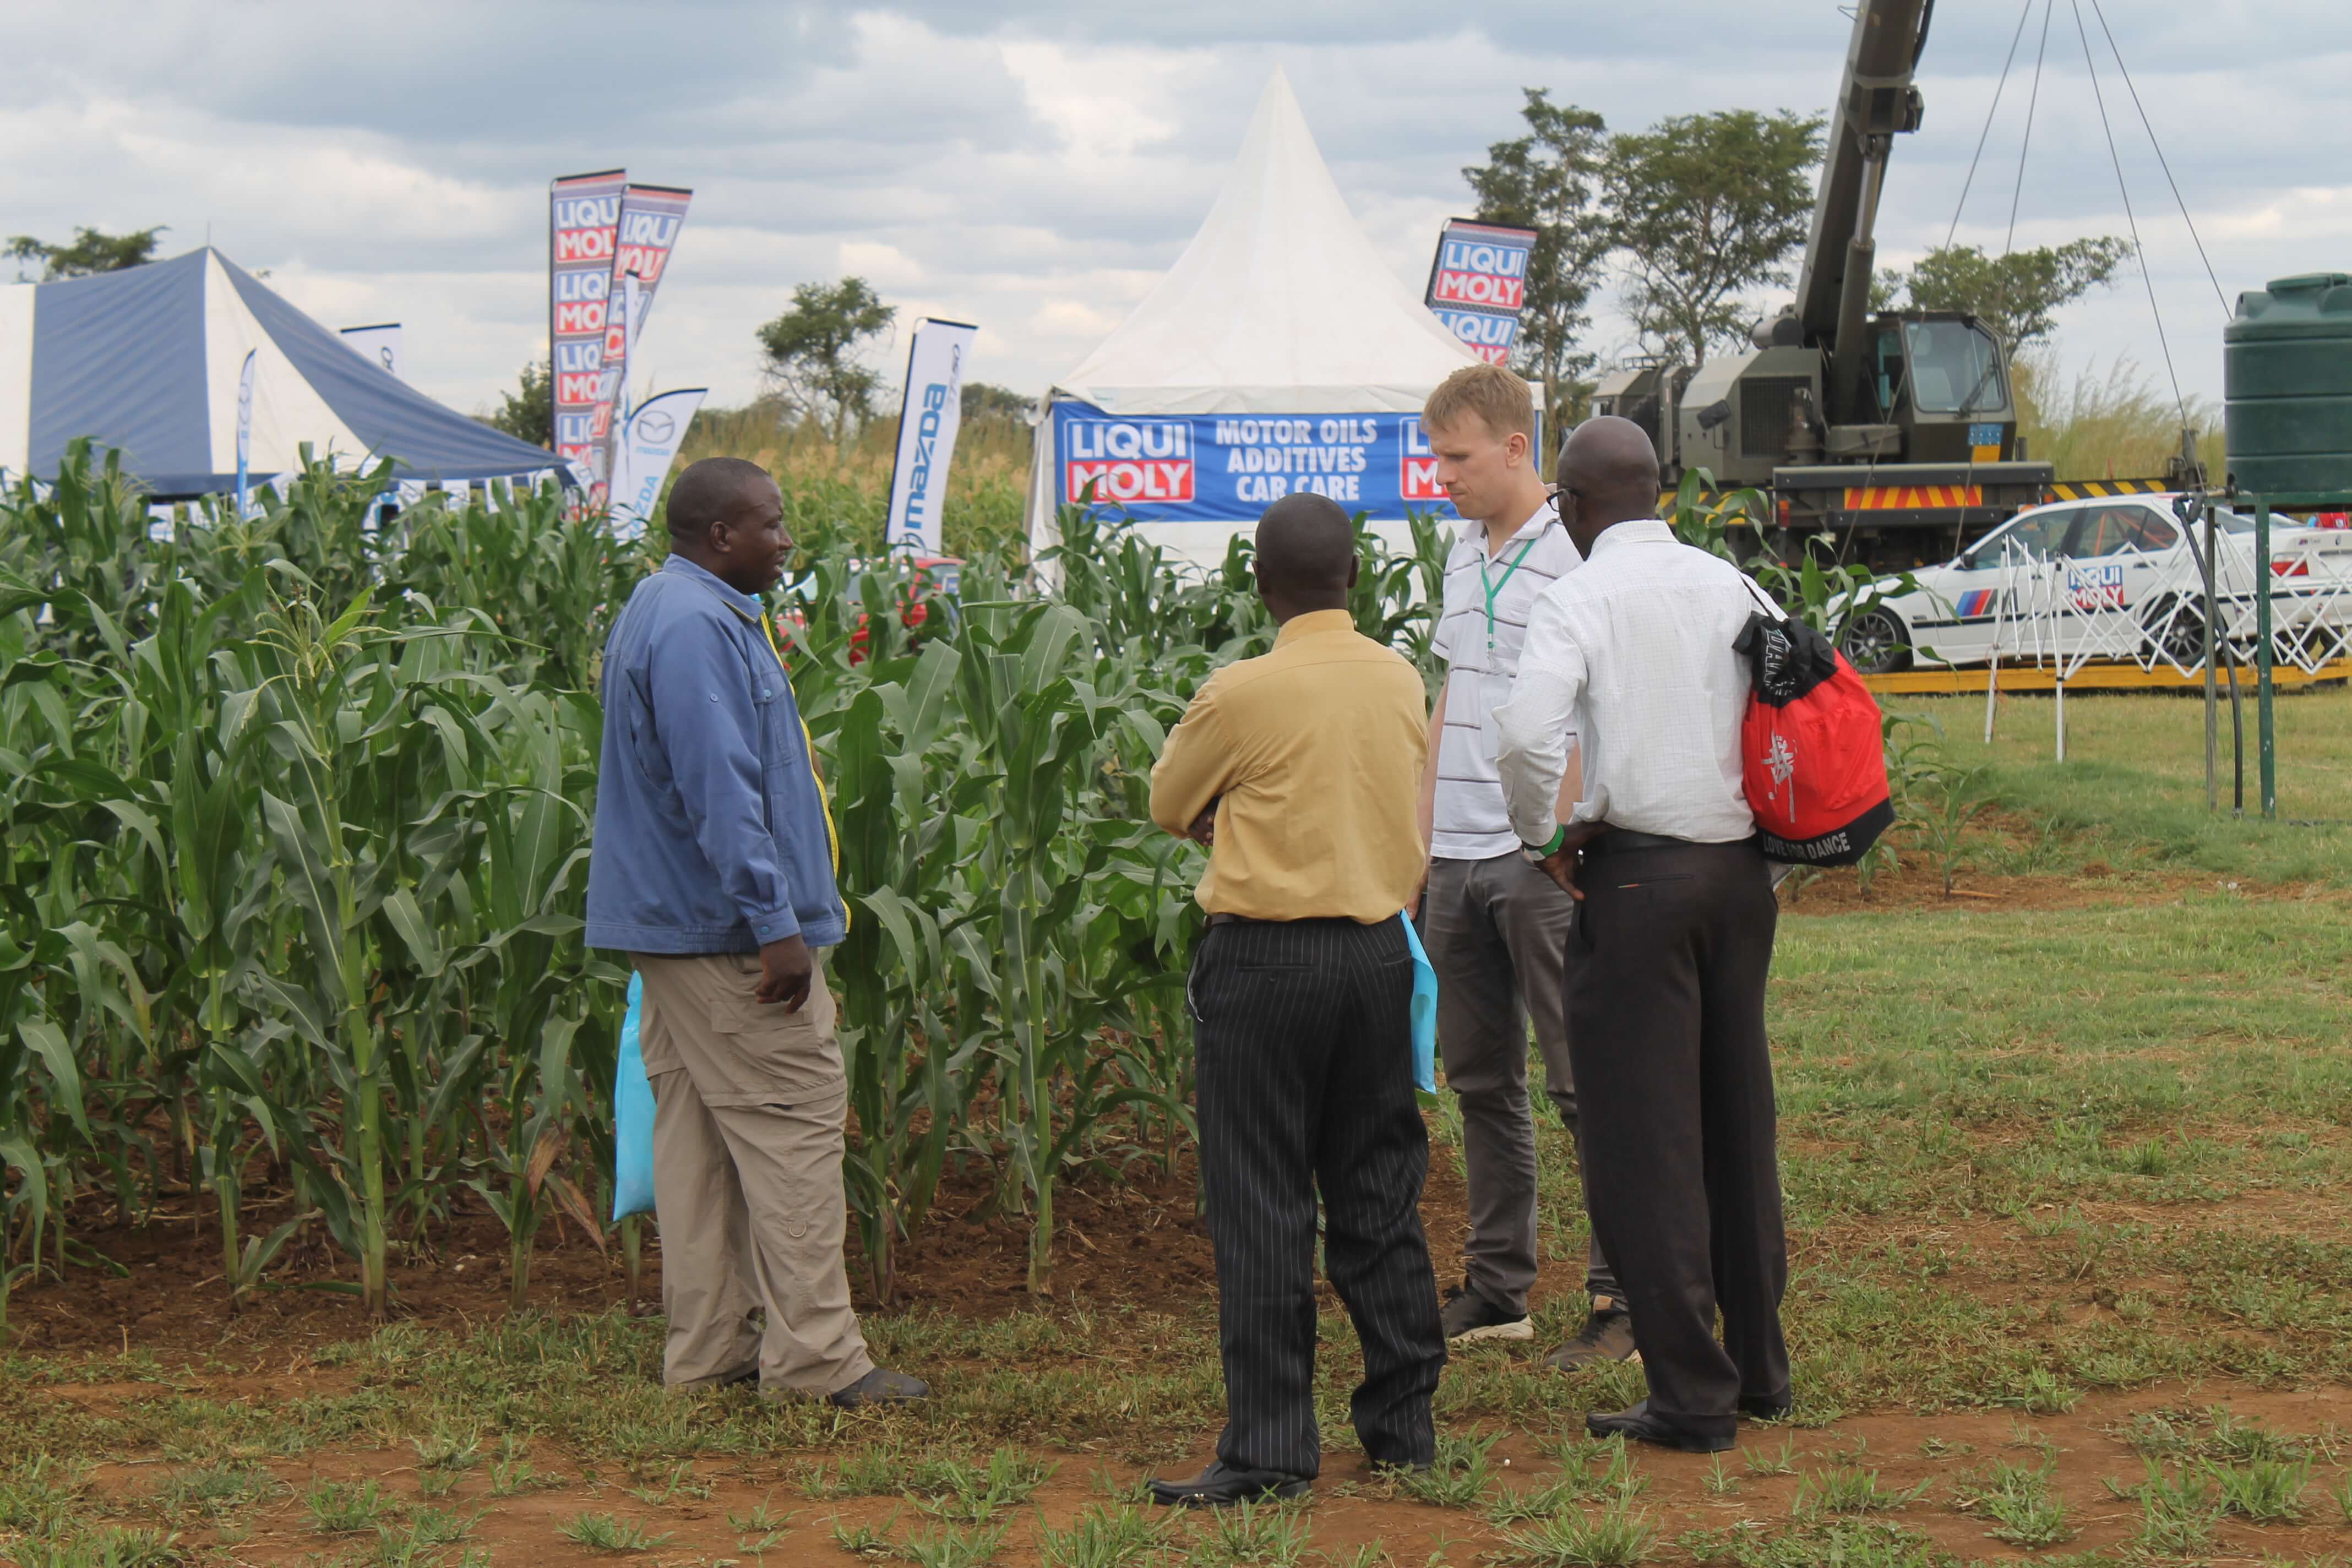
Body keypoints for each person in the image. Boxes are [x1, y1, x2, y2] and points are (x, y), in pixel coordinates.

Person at [584, 456, 927, 1409]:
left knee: (694, 1141)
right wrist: (775, 925)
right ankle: (817, 1362)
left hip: (680, 932)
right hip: (726, 932)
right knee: (793, 1125)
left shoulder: (671, 606)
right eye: (771, 525)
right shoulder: (694, 625)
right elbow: (719, 792)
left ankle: (709, 1353)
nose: (786, 542)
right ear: (719, 535)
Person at [1492, 417, 1789, 1454]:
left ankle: (1690, 1398)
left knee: (1641, 1141)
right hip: (1740, 878)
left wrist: (1543, 836)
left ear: (1571, 507)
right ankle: (1759, 1368)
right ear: (1658, 493)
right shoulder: (1735, 584)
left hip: (1638, 880)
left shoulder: (1577, 596)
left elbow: (1528, 732)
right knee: (1734, 1120)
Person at [1145, 492, 1447, 1507]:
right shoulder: (1401, 677)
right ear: (1354, 576)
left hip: (1265, 967)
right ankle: (1405, 1428)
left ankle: (1272, 1451)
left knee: (1263, 1203)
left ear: (1260, 583)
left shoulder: (1240, 692)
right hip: (1375, 958)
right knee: (1379, 1195)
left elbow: (1169, 804)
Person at [1412, 362, 1632, 1368]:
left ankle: (1623, 1296)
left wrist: (1565, 838)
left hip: (1540, 859)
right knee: (1481, 1081)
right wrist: (1420, 845)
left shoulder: (1577, 559)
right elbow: (1450, 697)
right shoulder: (1462, 552)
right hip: (1456, 857)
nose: (1441, 475)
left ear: (1514, 448)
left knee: (1586, 1082)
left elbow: (1598, 707)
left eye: (1455, 457)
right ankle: (1501, 1288)